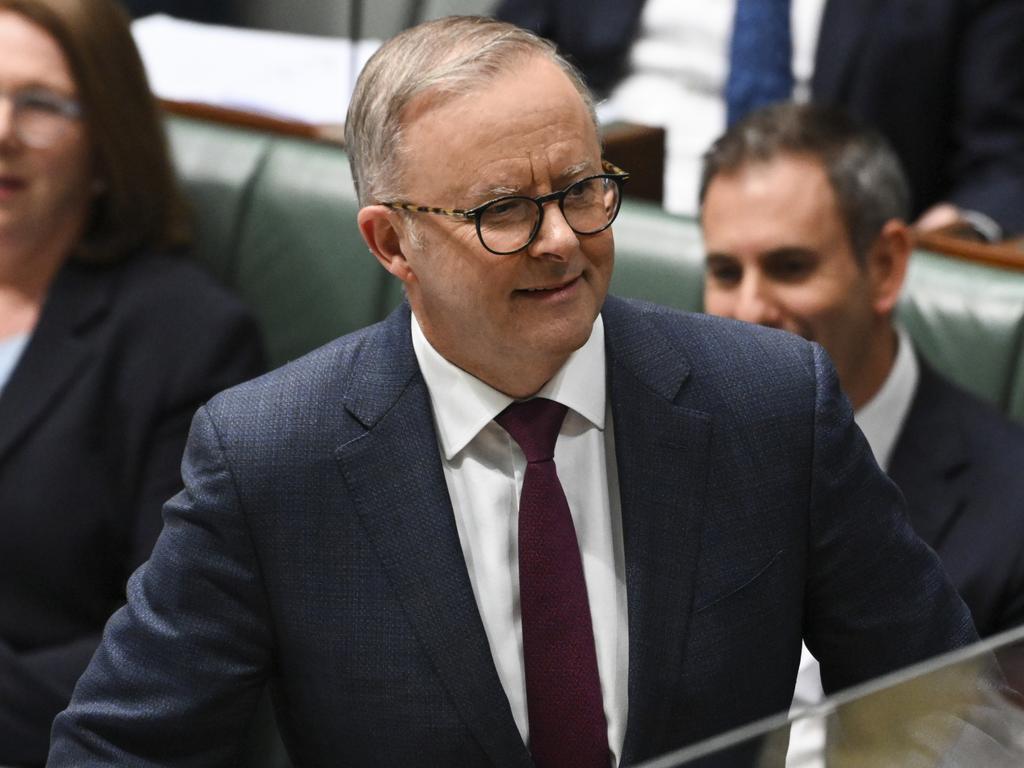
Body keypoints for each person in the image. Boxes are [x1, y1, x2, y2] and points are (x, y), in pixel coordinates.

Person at [49, 16, 975, 767]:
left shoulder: (769, 404)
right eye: (503, 212)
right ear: (390, 242)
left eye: (581, 190)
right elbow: (115, 749)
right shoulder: (270, 458)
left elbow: (944, 703)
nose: (562, 240)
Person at [699, 101, 1024, 764]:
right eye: (726, 273)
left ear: (885, 266)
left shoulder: (1013, 512)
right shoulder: (665, 452)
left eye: (790, 267)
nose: (749, 310)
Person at [0, 0, 264, 763]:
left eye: (41, 104)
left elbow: (170, 650)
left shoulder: (186, 339)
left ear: (107, 141)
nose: (3, 130)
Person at [495, 0, 1024, 238]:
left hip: (814, 247)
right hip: (586, 215)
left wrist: (958, 234)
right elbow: (500, 67)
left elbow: (1004, 162)